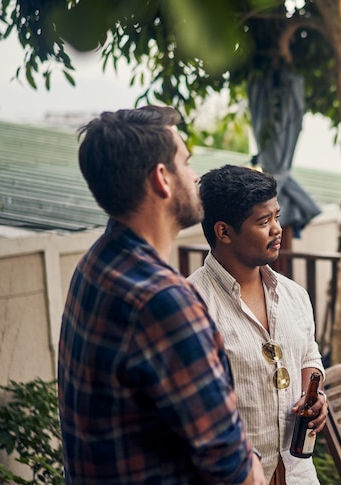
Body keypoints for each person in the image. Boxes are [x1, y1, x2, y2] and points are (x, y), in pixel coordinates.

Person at [59, 107, 264, 484]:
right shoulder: (163, 302)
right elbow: (236, 473)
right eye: (186, 162)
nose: (195, 175)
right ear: (162, 179)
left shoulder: (94, 265)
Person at [187, 164, 327, 484]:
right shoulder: (192, 307)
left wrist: (316, 397)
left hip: (298, 473)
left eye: (276, 216)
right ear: (223, 232)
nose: (277, 228)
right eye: (264, 221)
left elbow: (309, 356)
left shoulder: (294, 295)